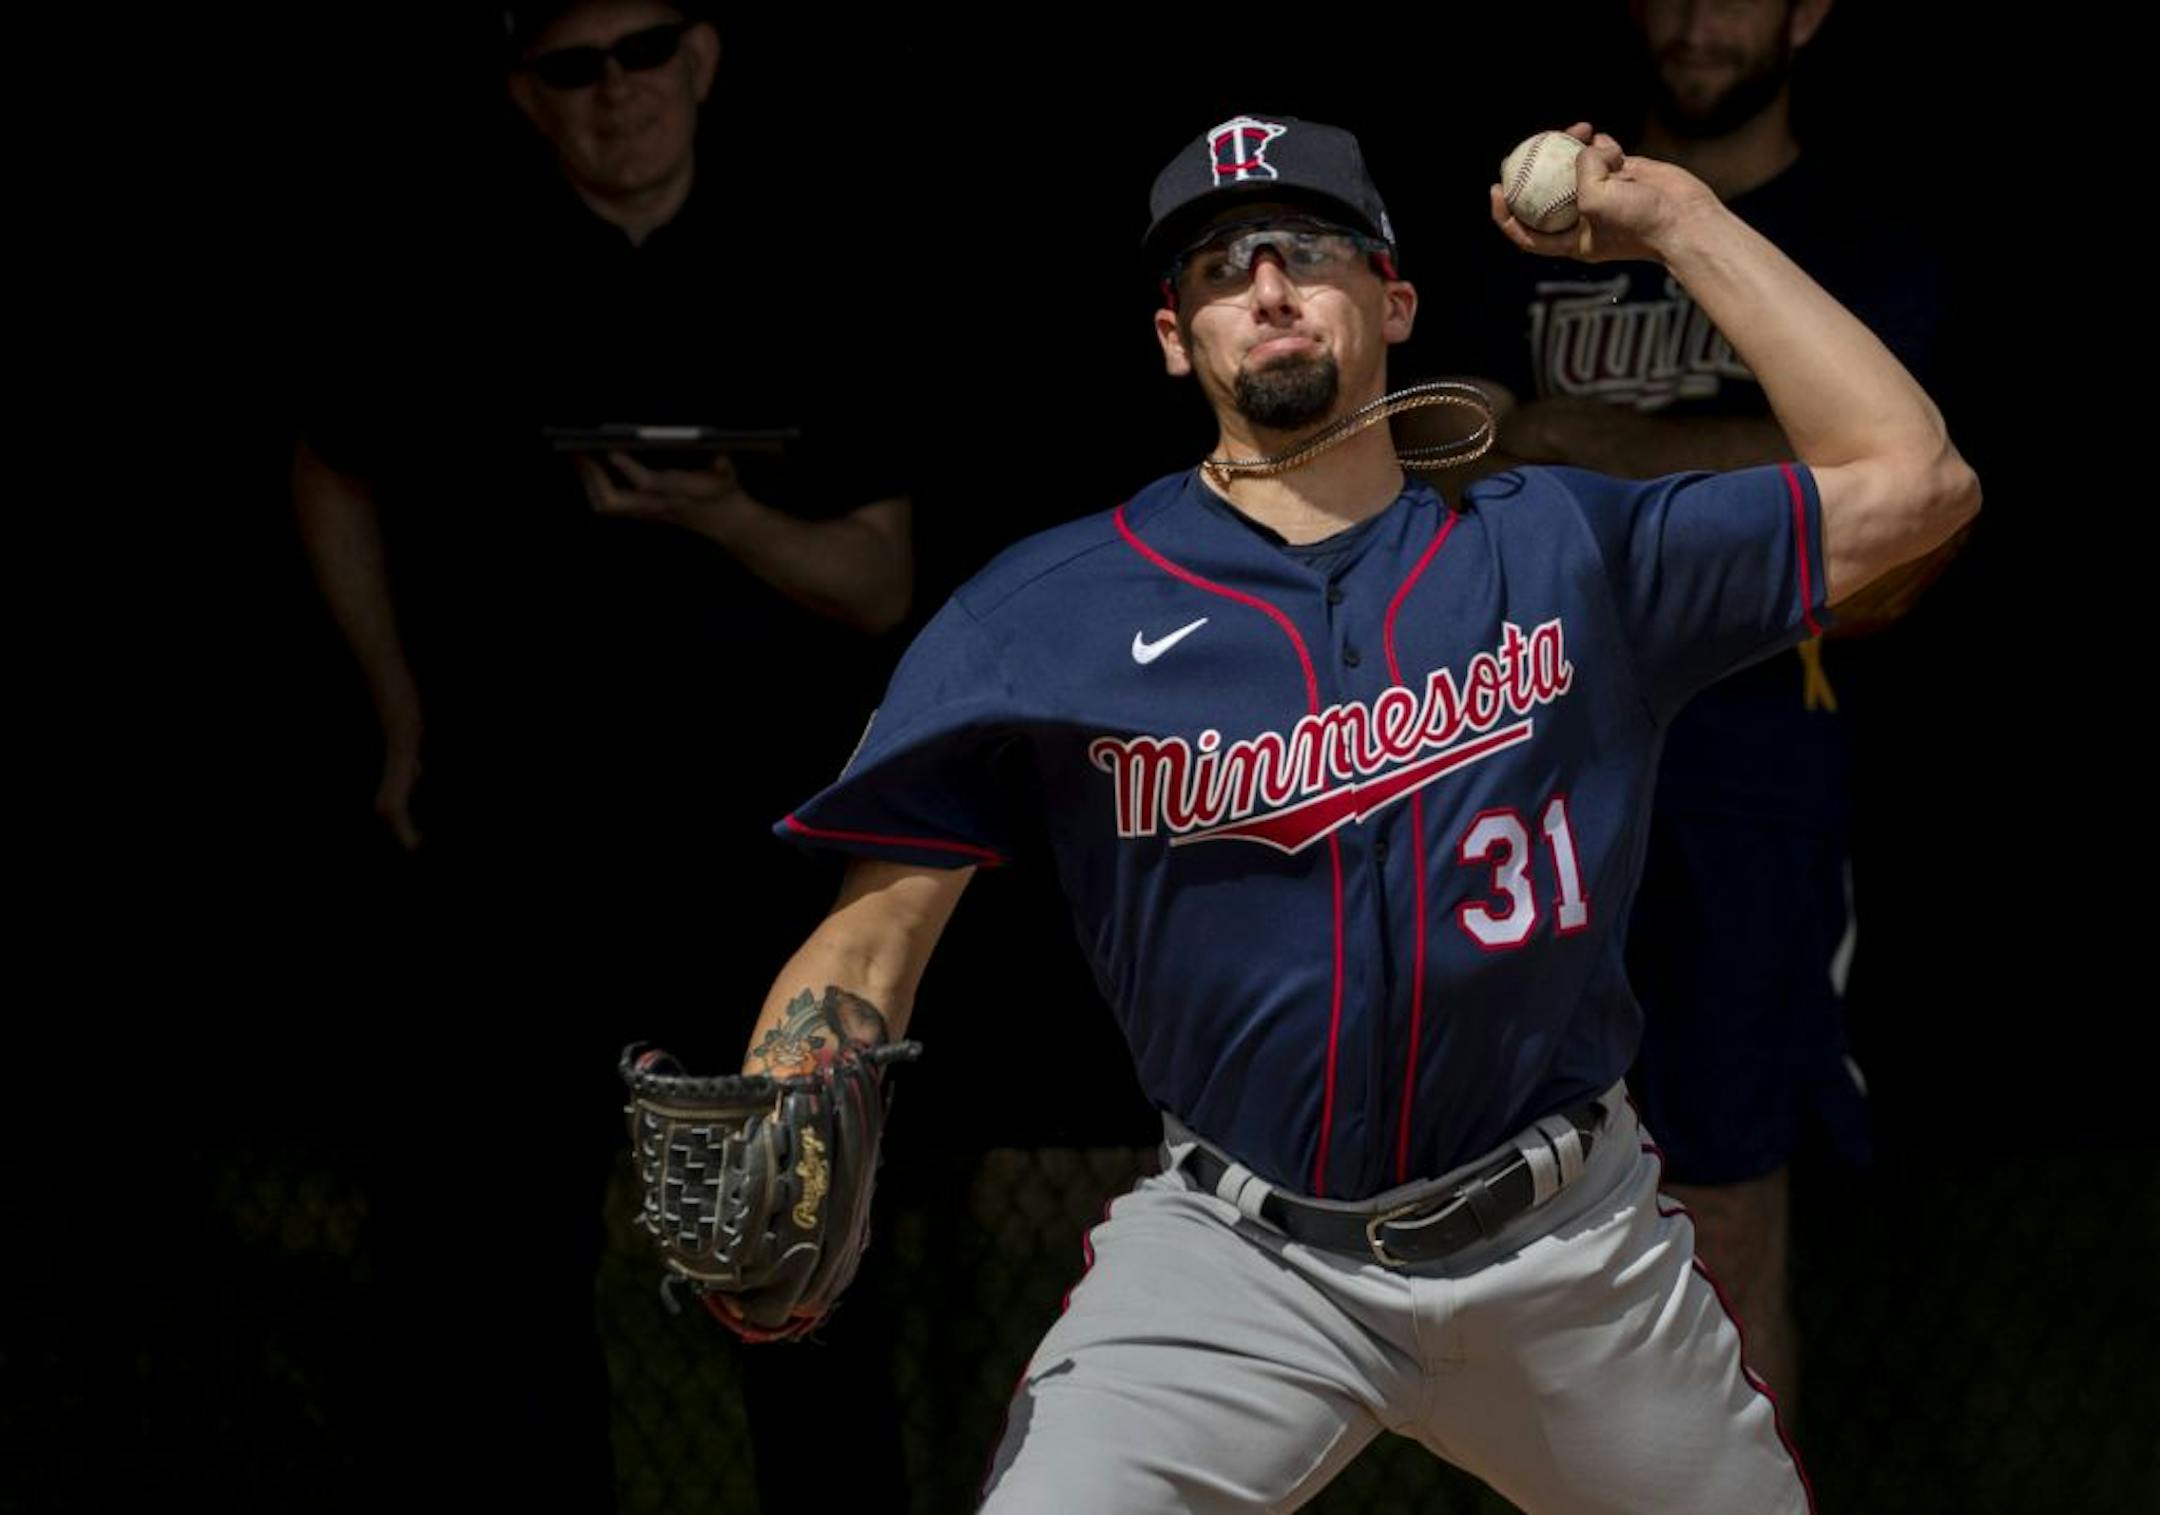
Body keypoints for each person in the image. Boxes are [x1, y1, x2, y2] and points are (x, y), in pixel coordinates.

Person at [718, 113, 1975, 1512]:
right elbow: (871, 935)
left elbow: (1913, 482)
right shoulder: (1044, 612)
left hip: (1567, 1246)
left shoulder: (1564, 545)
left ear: (1395, 304)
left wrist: (1678, 218)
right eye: (1215, 267)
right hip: (1239, 1258)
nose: (1263, 285)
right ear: (1172, 337)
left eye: (1306, 250)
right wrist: (790, 1100)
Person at [290, 2, 913, 1507]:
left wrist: (723, 517)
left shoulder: (805, 262)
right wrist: (398, 714)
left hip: (759, 850)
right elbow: (329, 464)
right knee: (497, 1268)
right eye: (572, 68)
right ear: (525, 93)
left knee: (796, 1249)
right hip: (523, 839)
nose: (613, 94)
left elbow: (881, 581)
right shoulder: (450, 273)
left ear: (702, 60)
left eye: (642, 54)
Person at [1441, 0, 1953, 1409]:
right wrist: (1699, 473)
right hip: (1523, 759)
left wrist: (1565, 437)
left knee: (1722, 1214)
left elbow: (1880, 484)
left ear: (1809, 14)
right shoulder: (1535, 231)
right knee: (1490, 1232)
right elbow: (1441, 450)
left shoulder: (1847, 238)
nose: (1696, 19)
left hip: (1745, 756)